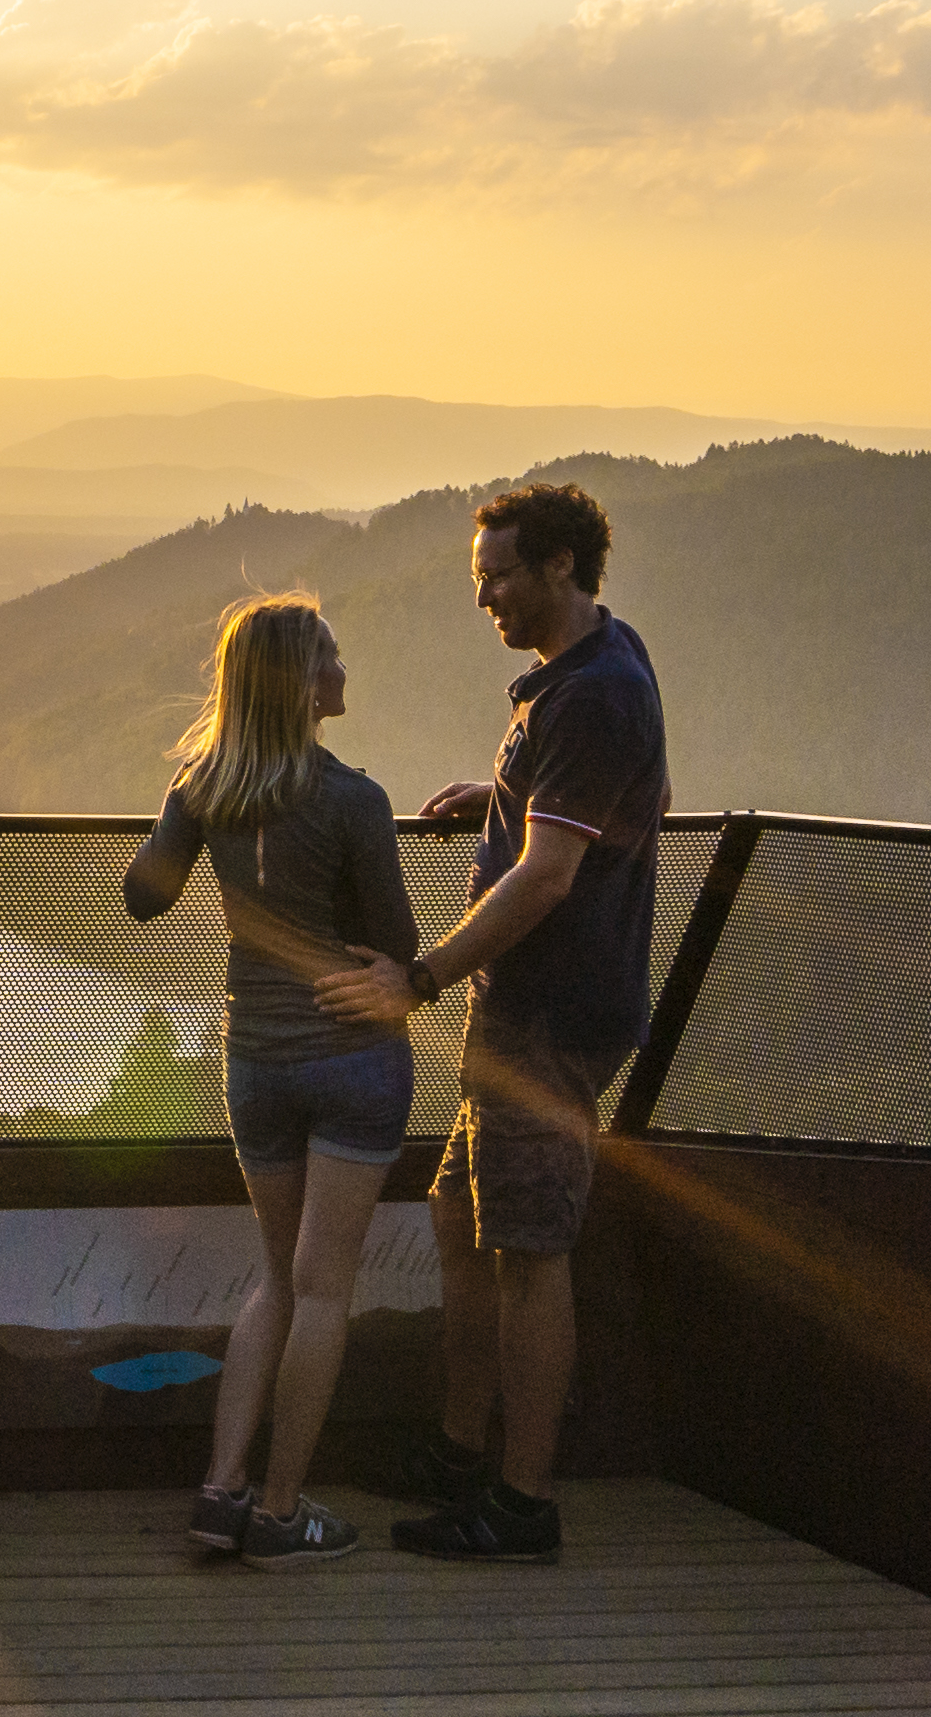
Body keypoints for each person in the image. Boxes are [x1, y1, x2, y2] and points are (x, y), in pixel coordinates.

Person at [326, 479, 659, 1565]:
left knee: (527, 1247)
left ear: (558, 566)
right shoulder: (592, 672)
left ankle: (519, 1502)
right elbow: (599, 810)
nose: (487, 604)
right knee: (464, 1227)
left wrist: (418, 976)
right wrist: (504, 798)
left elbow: (546, 881)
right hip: (519, 1013)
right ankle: (460, 1451)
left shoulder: (590, 694)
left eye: (499, 579)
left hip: (548, 1018)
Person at [119, 591, 418, 1565]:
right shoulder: (352, 800)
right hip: (349, 1065)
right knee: (321, 1286)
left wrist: (183, 813)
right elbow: (395, 946)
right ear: (294, 682)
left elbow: (142, 899)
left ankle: (219, 1492)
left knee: (274, 1280)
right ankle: (282, 1514)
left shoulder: (201, 789)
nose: (340, 671)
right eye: (326, 657)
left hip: (254, 1064)